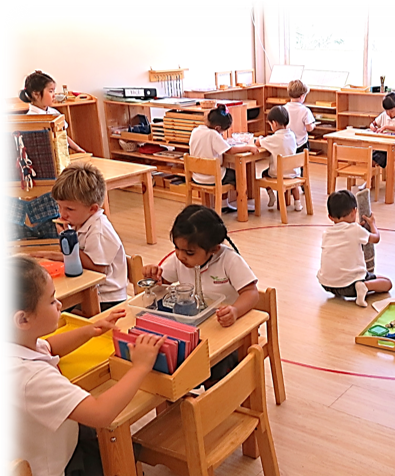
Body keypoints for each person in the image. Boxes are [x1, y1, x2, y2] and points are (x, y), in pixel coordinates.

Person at [1, 255, 164, 476]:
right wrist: (140, 367)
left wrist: (91, 329)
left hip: (21, 461)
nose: (59, 304)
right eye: (52, 300)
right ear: (22, 320)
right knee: (119, 453)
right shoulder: (31, 378)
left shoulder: (12, 347)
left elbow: (49, 347)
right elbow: (101, 413)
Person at [142, 205, 258, 383]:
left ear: (214, 249)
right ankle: (183, 389)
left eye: (189, 252)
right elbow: (162, 284)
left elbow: (251, 293)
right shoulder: (180, 260)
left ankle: (210, 394)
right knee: (171, 352)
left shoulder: (229, 260)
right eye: (176, 248)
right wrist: (153, 275)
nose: (180, 256)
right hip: (195, 327)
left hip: (226, 330)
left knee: (215, 364)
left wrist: (234, 311)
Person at [32, 163, 128, 310]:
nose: (62, 214)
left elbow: (97, 269)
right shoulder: (80, 222)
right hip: (90, 288)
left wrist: (65, 246)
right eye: (59, 206)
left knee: (51, 309)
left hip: (106, 298)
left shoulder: (98, 230)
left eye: (69, 209)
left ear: (93, 209)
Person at [317, 190, 392, 307]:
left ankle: (359, 286)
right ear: (354, 211)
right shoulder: (356, 230)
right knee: (387, 283)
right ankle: (364, 286)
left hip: (327, 284)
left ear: (330, 217)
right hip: (349, 286)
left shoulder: (326, 233)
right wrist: (373, 224)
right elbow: (376, 238)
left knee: (375, 278)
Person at [188, 104, 258, 212]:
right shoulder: (213, 134)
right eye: (222, 132)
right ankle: (243, 207)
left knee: (225, 170)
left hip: (197, 176)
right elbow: (229, 150)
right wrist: (248, 147)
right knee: (238, 176)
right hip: (212, 177)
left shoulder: (195, 131)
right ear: (217, 128)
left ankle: (224, 205)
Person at [19, 71, 85, 153]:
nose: (54, 95)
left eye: (54, 91)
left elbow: (63, 135)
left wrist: (77, 148)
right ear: (36, 94)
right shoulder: (31, 119)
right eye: (50, 91)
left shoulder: (54, 112)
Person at [254, 105, 303, 211]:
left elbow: (259, 143)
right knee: (294, 184)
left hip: (278, 174)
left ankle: (271, 196)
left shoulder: (274, 138)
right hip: (294, 172)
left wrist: (259, 138)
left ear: (274, 123)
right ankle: (298, 203)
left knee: (264, 173)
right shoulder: (292, 135)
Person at [369, 91, 395, 170]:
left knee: (392, 158)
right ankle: (371, 179)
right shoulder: (384, 115)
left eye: (391, 111)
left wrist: (386, 127)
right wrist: (372, 127)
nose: (388, 114)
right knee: (372, 155)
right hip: (383, 148)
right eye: (387, 111)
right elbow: (373, 124)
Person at [285, 79, 316, 155]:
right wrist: (313, 125)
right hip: (301, 144)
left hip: (287, 143)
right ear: (302, 96)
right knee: (302, 164)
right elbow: (309, 128)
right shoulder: (305, 110)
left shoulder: (284, 108)